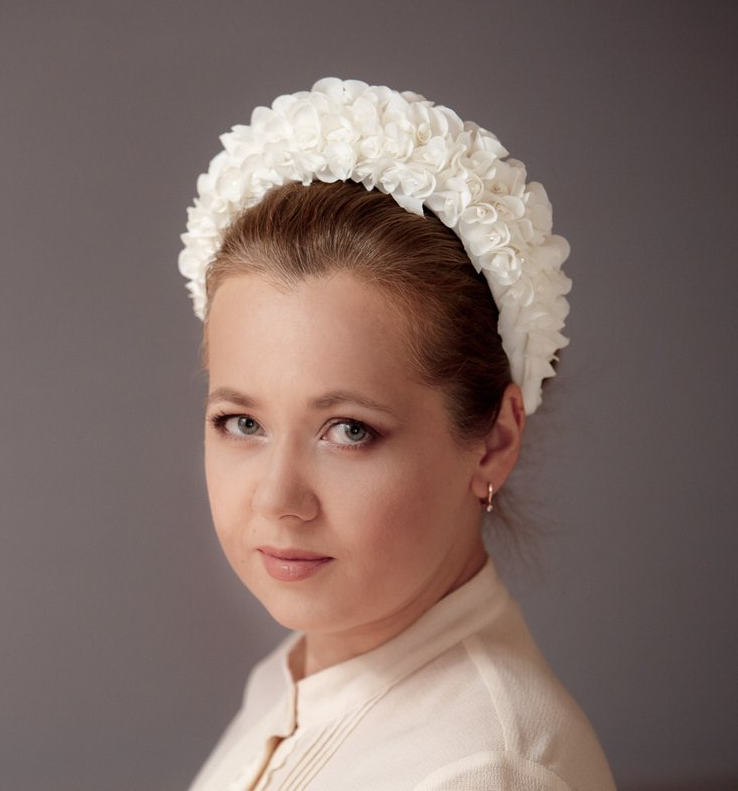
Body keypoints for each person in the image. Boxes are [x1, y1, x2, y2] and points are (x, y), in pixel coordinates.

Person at [178, 79, 616, 791]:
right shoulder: (294, 681)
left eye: (348, 430)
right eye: (243, 423)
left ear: (494, 441)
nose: (278, 499)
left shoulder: (482, 770)